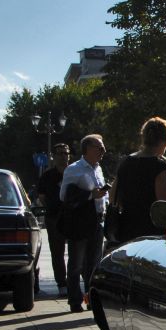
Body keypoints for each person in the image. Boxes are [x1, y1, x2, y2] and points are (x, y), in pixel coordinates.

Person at [112, 117, 166, 245]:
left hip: (126, 231)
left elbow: (113, 197)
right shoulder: (160, 166)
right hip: (151, 236)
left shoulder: (125, 162)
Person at [61, 134, 109, 313]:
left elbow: (101, 195)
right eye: (99, 147)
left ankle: (91, 300)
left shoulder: (98, 168)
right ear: (87, 148)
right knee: (76, 264)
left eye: (103, 148)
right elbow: (65, 197)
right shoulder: (74, 169)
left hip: (98, 220)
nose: (103, 151)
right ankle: (74, 301)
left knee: (94, 264)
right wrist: (90, 195)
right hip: (80, 223)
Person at [36, 143, 71, 295]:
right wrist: (52, 206)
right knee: (57, 252)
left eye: (66, 153)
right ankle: (62, 284)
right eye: (60, 153)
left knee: (77, 252)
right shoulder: (47, 176)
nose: (63, 156)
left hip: (74, 217)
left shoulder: (74, 173)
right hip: (54, 217)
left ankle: (75, 281)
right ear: (54, 156)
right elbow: (42, 196)